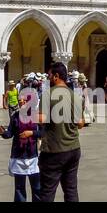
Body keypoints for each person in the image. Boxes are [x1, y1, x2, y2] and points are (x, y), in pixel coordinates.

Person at [34, 62, 84, 202]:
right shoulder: (75, 96)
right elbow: (80, 123)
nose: (48, 79)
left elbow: (42, 119)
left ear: (56, 76)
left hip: (54, 150)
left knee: (47, 192)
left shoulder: (48, 94)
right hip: (73, 148)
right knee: (71, 191)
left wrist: (27, 114)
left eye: (49, 76)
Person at [0, 88, 41, 202]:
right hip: (18, 156)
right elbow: (10, 134)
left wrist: (31, 133)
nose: (21, 102)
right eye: (20, 99)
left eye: (24, 100)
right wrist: (3, 133)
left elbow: (44, 133)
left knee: (37, 188)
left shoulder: (36, 116)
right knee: (19, 188)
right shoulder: (15, 116)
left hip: (33, 157)